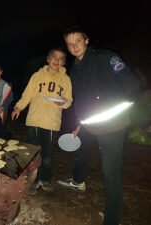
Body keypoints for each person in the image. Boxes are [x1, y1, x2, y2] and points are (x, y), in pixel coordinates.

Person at [57, 26, 140, 225]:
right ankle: (79, 181)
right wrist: (79, 124)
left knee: (111, 173)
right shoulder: (75, 68)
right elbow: (81, 99)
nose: (74, 46)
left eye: (77, 41)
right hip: (90, 124)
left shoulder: (104, 57)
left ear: (87, 40)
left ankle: (112, 218)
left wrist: (120, 111)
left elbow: (132, 85)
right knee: (79, 149)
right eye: (69, 44)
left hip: (112, 126)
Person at [11, 47, 73, 194]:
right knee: (33, 152)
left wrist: (63, 103)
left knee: (48, 154)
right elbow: (27, 95)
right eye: (54, 57)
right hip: (35, 120)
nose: (57, 61)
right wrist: (18, 107)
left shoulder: (66, 79)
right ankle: (33, 179)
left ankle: (46, 178)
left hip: (52, 122)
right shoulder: (37, 76)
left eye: (60, 59)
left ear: (63, 62)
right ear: (48, 59)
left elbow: (69, 100)